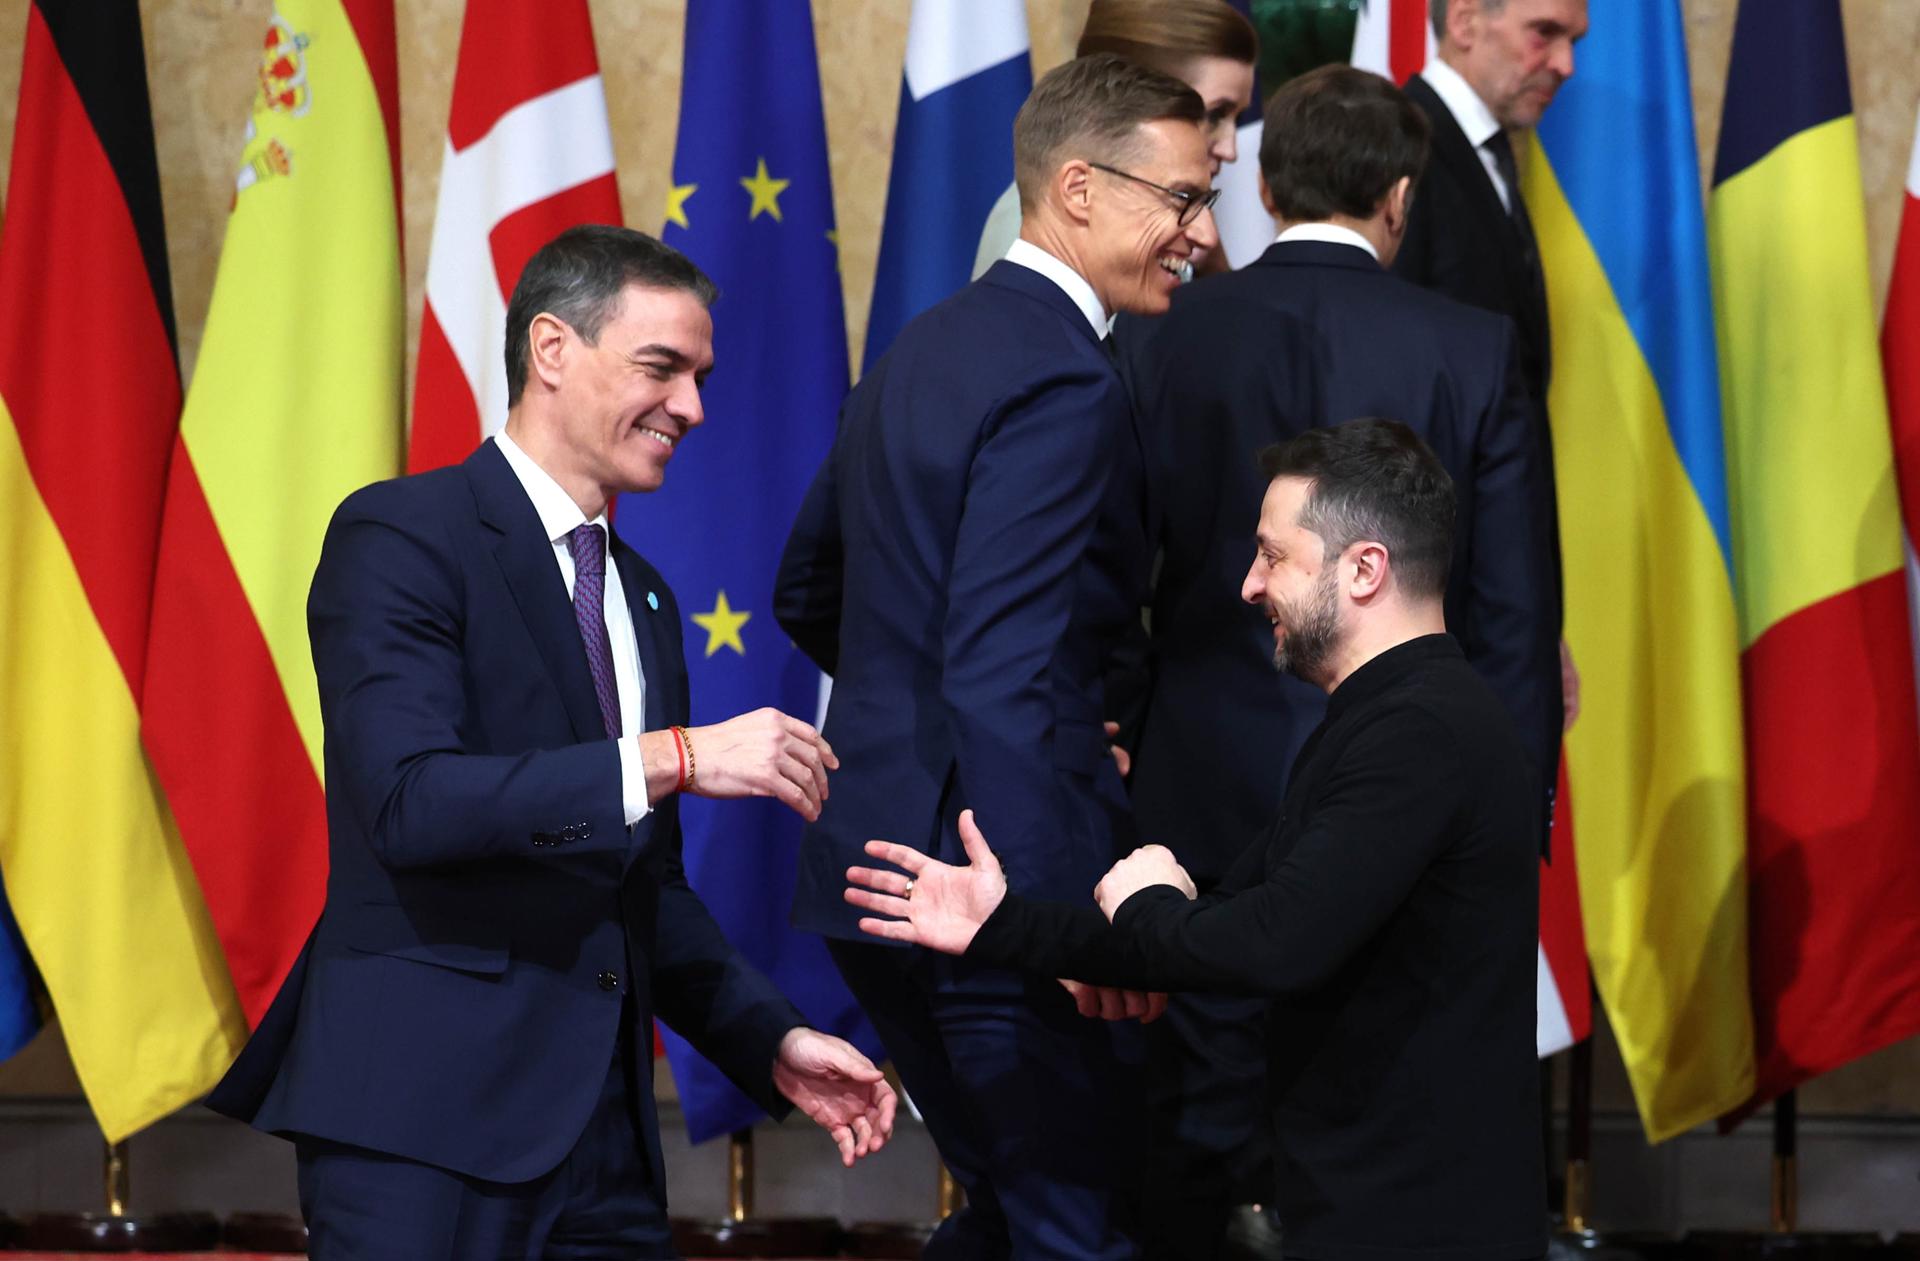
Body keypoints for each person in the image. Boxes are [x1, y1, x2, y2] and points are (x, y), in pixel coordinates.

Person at [209, 226, 896, 1261]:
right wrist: (676, 755)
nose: (693, 408)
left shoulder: (647, 598)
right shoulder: (403, 536)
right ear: (552, 350)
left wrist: (774, 1040)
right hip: (425, 1125)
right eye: (661, 368)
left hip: (606, 1145)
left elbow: (643, 891)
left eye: (702, 377)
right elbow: (410, 801)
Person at [849, 419, 1548, 1261]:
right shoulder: (1383, 718)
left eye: (1273, 555)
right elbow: (1218, 919)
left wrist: (1151, 898)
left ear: (1365, 568)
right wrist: (1000, 924)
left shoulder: (1420, 731)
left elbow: (1266, 942)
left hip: (1420, 1225)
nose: (1249, 586)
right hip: (1371, 1207)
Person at [1107, 62, 1558, 1259]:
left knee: (1198, 1134)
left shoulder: (1165, 331)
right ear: (1402, 200)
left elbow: (1107, 576)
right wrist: (1512, 819)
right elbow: (1513, 612)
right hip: (1422, 793)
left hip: (1195, 784)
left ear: (1256, 175)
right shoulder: (1471, 344)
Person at [775, 54, 1218, 1261]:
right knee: (1077, 1232)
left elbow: (809, 589)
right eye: (1182, 197)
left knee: (1014, 1218)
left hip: (872, 881)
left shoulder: (920, 347)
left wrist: (910, 710)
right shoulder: (1071, 380)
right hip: (986, 892)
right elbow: (998, 670)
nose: (1204, 231)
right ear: (1078, 188)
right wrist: (1058, 923)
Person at [1394, 0, 1589, 722]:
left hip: (1496, 624)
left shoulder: (1490, 153)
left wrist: (1535, 626)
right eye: (1546, 34)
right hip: (1442, 641)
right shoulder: (1405, 150)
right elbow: (1396, 424)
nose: (1567, 65)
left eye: (1574, 40)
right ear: (1467, 20)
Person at [972, 0, 1256, 280]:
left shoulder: (1177, 220)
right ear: (1136, 95)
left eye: (1238, 119)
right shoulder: (1035, 224)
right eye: (1215, 114)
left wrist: (1214, 273)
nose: (1230, 150)